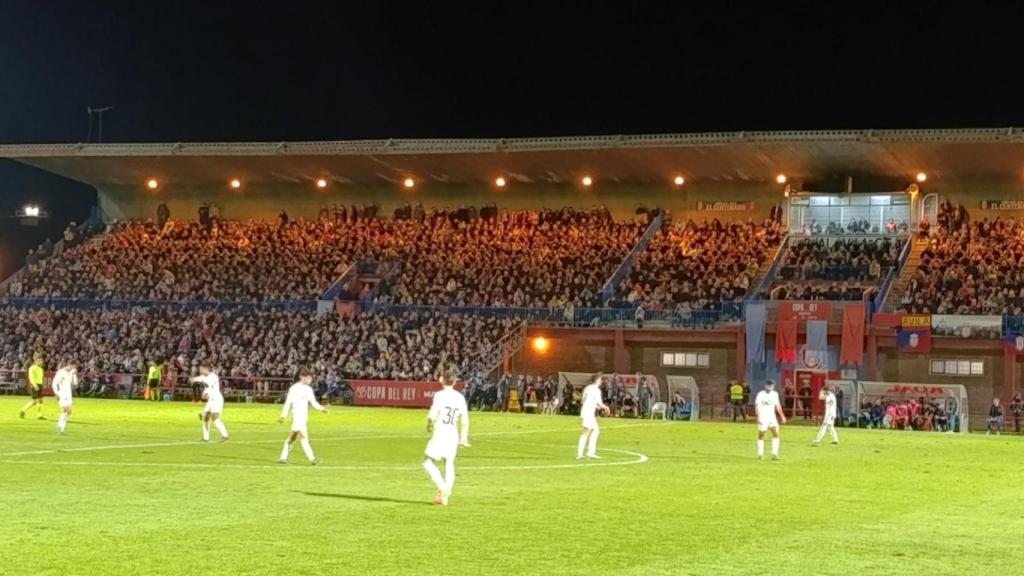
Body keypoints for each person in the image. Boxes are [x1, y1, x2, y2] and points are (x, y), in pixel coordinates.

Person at [422, 369, 469, 506]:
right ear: (454, 382)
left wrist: (430, 422)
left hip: (440, 431)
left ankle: (444, 488)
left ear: (441, 380)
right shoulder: (460, 397)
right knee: (449, 463)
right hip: (452, 432)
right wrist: (463, 438)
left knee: (427, 461)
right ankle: (443, 498)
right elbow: (465, 419)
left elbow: (433, 413)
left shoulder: (439, 395)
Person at [278, 369, 328, 465]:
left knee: (293, 437)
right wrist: (283, 415)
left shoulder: (308, 389)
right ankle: (312, 459)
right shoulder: (294, 388)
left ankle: (283, 457)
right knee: (304, 436)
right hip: (296, 415)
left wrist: (322, 409)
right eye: (308, 378)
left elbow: (313, 402)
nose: (310, 381)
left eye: (311, 379)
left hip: (304, 416)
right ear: (302, 377)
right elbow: (288, 402)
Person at [191, 365, 229, 442]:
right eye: (199, 369)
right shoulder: (204, 377)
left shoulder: (213, 377)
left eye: (202, 369)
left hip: (217, 399)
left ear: (207, 369)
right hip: (211, 400)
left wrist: (205, 393)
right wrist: (193, 378)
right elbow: (196, 380)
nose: (200, 371)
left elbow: (207, 384)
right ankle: (205, 438)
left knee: (215, 418)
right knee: (205, 418)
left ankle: (225, 435)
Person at [577, 373, 610, 460]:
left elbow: (584, 400)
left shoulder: (587, 388)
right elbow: (600, 404)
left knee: (596, 430)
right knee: (586, 432)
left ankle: (591, 452)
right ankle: (580, 454)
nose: (601, 381)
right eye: (600, 380)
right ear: (597, 380)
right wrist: (607, 408)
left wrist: (596, 406)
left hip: (586, 411)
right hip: (588, 413)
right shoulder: (596, 390)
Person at [755, 380, 787, 460]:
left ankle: (774, 454)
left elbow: (778, 406)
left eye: (772, 386)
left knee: (775, 434)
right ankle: (760, 454)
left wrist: (782, 416)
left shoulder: (775, 394)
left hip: (772, 417)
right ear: (765, 386)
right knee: (761, 435)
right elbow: (756, 406)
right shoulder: (760, 394)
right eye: (769, 386)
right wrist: (758, 416)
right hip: (763, 417)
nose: (770, 387)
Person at [52, 360, 78, 435]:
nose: (74, 368)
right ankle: (61, 428)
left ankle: (60, 425)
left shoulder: (71, 373)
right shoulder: (60, 372)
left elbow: (75, 383)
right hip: (61, 393)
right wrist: (56, 393)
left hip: (68, 394)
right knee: (65, 409)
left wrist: (74, 375)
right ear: (70, 365)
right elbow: (54, 383)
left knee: (69, 411)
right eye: (74, 366)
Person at [19, 354, 46, 420]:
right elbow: (31, 378)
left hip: (40, 384)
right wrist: (35, 385)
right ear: (35, 361)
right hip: (35, 385)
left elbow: (41, 378)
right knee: (34, 402)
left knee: (40, 400)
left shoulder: (40, 369)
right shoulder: (32, 368)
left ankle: (39, 415)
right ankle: (23, 410)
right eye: (39, 361)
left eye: (41, 361)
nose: (40, 362)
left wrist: (42, 384)